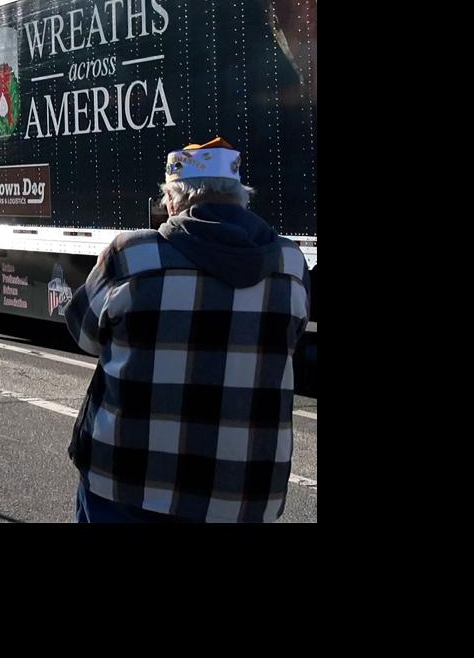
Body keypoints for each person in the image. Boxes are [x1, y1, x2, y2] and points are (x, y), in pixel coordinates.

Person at [64, 138, 310, 523]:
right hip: (244, 492)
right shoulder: (291, 264)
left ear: (174, 199)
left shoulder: (131, 254)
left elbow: (83, 334)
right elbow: (288, 342)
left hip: (128, 483)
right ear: (240, 197)